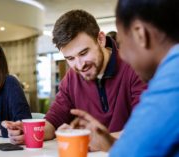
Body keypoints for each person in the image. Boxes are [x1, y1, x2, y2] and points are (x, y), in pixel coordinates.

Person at [4, 9, 147, 145]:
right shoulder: (71, 79)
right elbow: (53, 122)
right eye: (70, 58)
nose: (79, 65)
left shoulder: (137, 66)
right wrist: (30, 132)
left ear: (101, 39)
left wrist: (95, 139)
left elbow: (144, 127)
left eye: (84, 53)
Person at [64, 0, 179, 156]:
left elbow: (130, 151)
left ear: (140, 34)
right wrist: (109, 141)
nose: (122, 54)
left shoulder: (172, 78)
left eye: (122, 43)